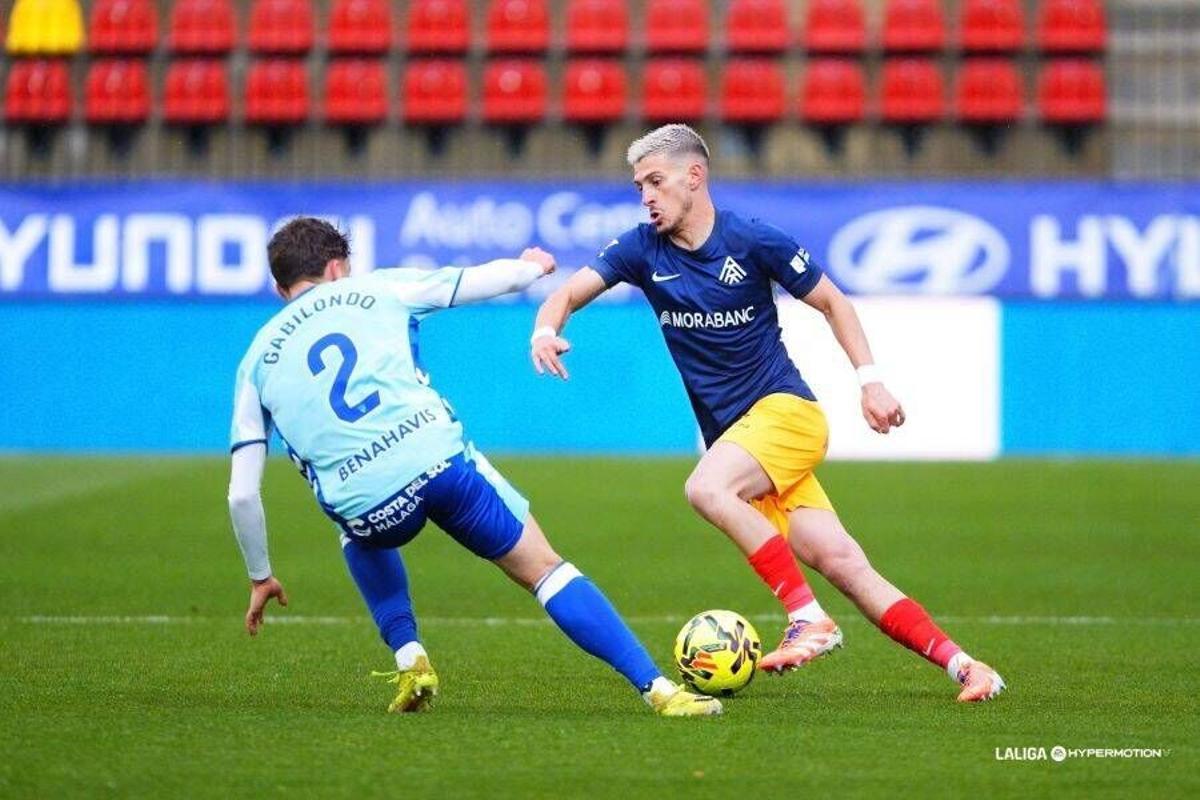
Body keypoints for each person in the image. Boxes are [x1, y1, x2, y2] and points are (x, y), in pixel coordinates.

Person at [530, 125, 1005, 702]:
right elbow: (568, 293)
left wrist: (870, 383)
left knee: (706, 488)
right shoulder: (639, 248)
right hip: (745, 444)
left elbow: (832, 300)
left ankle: (807, 616)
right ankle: (968, 667)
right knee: (845, 564)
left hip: (787, 414)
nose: (646, 196)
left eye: (655, 182)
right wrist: (547, 329)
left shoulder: (753, 240)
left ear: (694, 176)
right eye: (639, 187)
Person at [226, 217, 721, 717]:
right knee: (546, 571)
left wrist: (260, 575)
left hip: (367, 505)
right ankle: (659, 690)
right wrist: (530, 268)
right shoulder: (378, 288)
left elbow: (242, 493)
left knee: (352, 527)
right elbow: (479, 280)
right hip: (439, 466)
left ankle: (410, 655)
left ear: (278, 285)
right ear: (337, 269)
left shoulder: (255, 361)